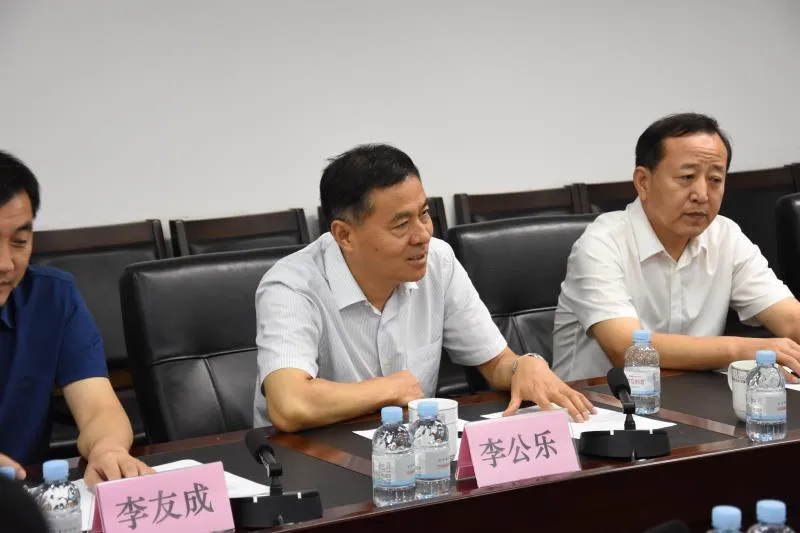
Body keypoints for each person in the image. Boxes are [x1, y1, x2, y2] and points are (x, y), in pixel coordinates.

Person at [253, 144, 594, 431]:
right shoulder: (291, 286)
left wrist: (523, 366)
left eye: (424, 214)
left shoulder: (438, 261)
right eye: (401, 224)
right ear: (345, 235)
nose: (423, 235)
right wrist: (389, 389)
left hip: (411, 454)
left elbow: (494, 363)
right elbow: (290, 404)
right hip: (309, 459)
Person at [552, 113, 800, 381]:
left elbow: (790, 319)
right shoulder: (601, 243)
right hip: (598, 401)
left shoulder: (725, 236)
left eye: (715, 179)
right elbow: (626, 348)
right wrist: (742, 350)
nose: (702, 194)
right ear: (643, 182)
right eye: (687, 177)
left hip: (694, 400)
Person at [0, 150, 153, 487]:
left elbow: (98, 407)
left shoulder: (51, 297)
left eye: (20, 242)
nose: (6, 264)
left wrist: (107, 449)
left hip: (26, 501)